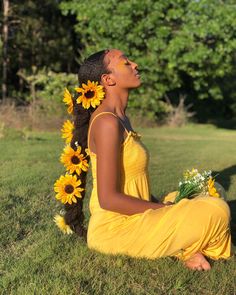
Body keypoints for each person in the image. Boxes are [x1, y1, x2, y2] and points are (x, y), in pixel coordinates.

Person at [59, 48, 233, 271]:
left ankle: (183, 244)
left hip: (140, 217)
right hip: (116, 228)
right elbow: (109, 200)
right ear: (107, 79)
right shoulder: (106, 123)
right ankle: (185, 248)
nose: (135, 64)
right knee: (216, 210)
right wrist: (162, 209)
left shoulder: (121, 118)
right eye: (126, 63)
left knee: (208, 190)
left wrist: (164, 205)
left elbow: (132, 182)